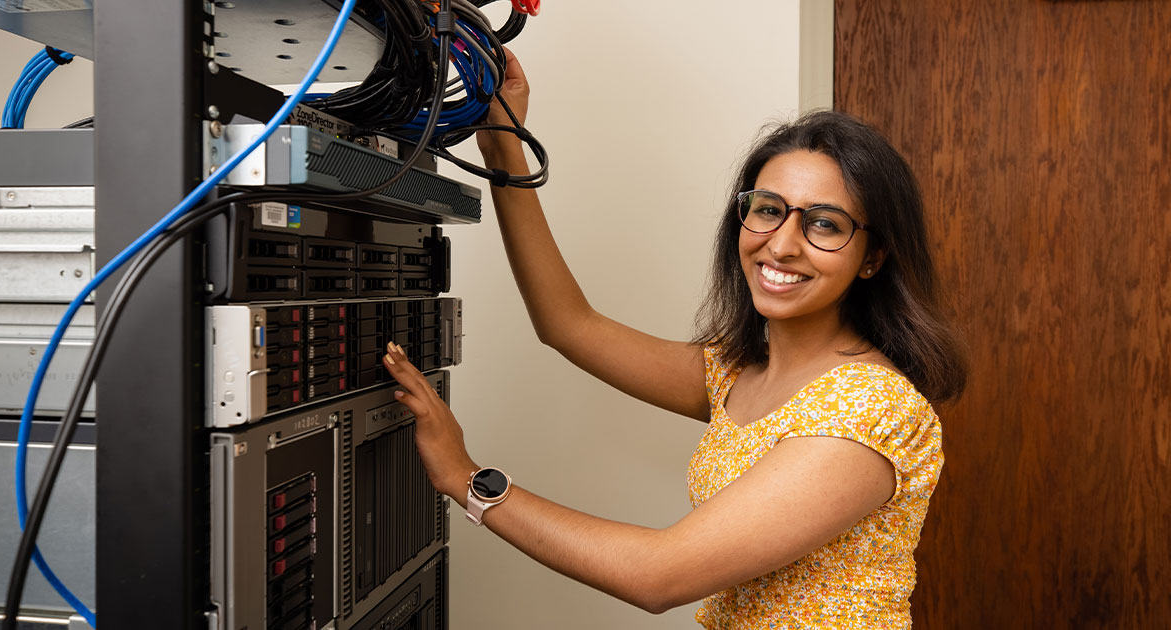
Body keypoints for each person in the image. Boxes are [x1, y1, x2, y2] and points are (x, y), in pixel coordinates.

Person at [382, 49, 966, 629]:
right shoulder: (738, 373)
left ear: (872, 259)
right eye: (767, 210)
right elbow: (568, 325)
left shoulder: (871, 409)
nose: (782, 245)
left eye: (823, 224)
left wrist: (467, 478)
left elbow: (658, 576)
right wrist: (503, 144)